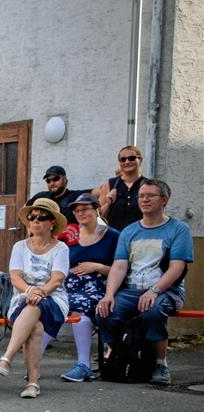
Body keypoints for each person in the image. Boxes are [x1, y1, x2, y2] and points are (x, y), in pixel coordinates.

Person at [97, 179, 193, 385]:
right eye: (141, 196)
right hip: (132, 289)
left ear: (164, 200)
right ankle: (120, 356)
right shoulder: (129, 231)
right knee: (105, 312)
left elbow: (177, 267)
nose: (145, 199)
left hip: (167, 290)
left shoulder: (178, 229)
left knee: (152, 311)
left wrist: (155, 291)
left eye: (150, 195)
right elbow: (119, 266)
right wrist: (109, 294)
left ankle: (160, 364)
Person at [0, 199, 70, 398]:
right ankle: (32, 383)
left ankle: (7, 357)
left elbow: (57, 279)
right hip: (23, 297)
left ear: (52, 222)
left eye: (41, 217)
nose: (35, 221)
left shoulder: (61, 248)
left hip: (54, 298)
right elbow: (15, 277)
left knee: (35, 306)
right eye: (32, 217)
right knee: (36, 328)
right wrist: (30, 292)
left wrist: (40, 293)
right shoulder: (20, 246)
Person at [56, 192, 120, 382]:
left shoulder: (113, 236)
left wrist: (97, 266)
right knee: (45, 307)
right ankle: (33, 364)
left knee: (78, 312)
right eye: (76, 211)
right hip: (68, 284)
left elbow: (122, 269)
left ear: (97, 209)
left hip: (97, 286)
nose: (80, 213)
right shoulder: (69, 233)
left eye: (85, 209)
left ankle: (84, 365)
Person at [96, 145, 148, 231]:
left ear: (140, 160)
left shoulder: (148, 185)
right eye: (123, 159)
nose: (127, 162)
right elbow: (98, 216)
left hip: (141, 236)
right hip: (115, 238)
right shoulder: (110, 184)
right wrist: (108, 203)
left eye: (131, 158)